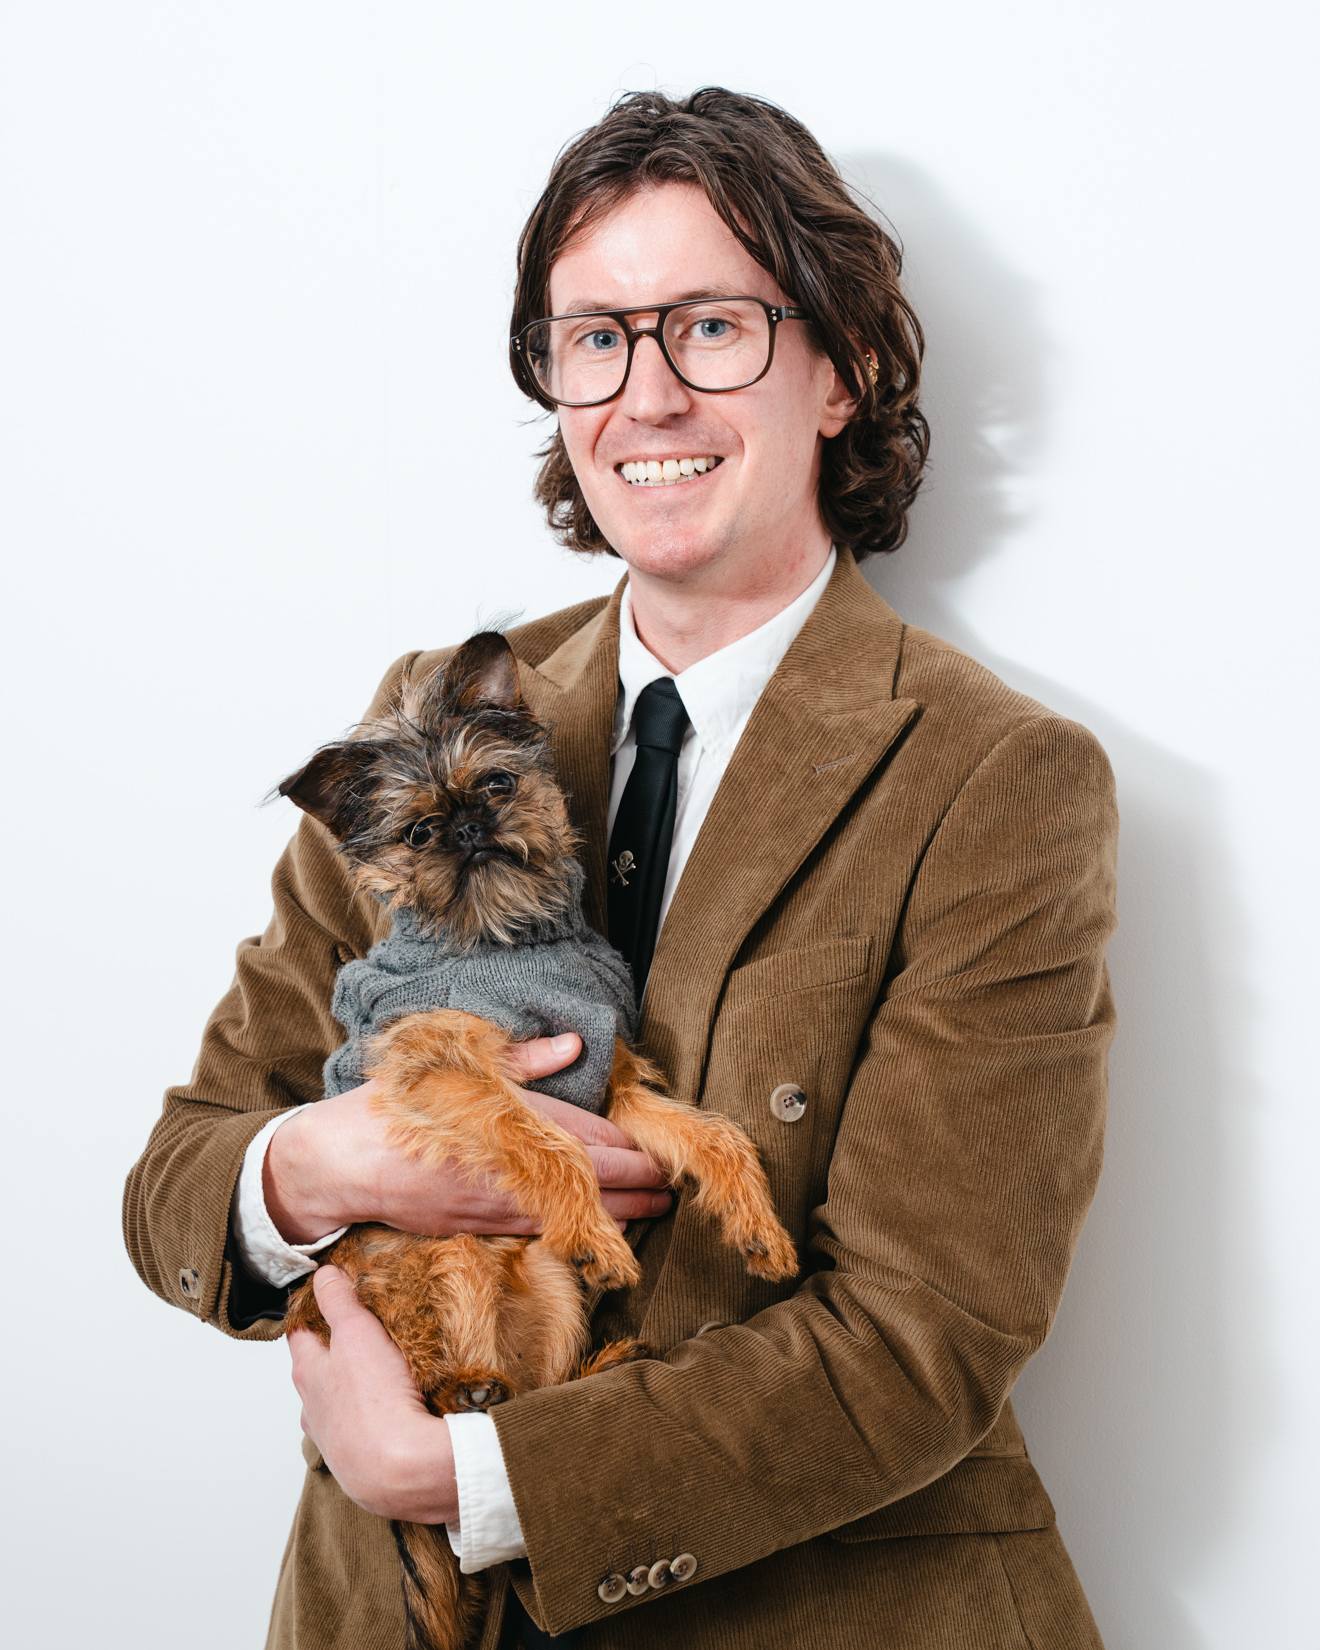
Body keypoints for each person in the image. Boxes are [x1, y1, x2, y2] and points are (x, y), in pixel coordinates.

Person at [123, 87, 1119, 1650]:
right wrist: (323, 1166)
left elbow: (931, 1330)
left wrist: (463, 1469)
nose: (644, 395)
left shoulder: (995, 778)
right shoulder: (430, 715)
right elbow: (182, 1175)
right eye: (594, 337)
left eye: (710, 325)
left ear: (843, 372)